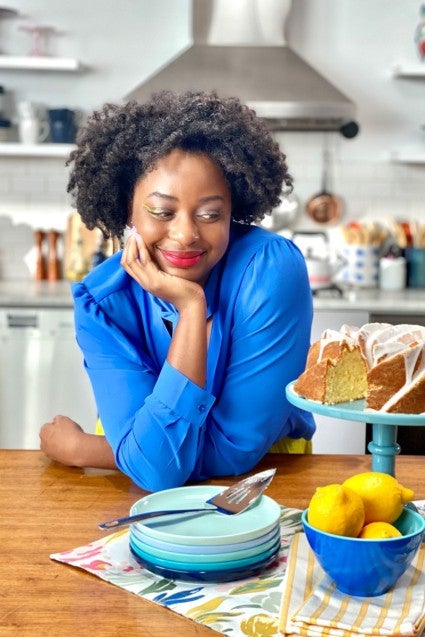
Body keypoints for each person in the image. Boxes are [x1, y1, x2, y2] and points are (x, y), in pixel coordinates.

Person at [39, 90, 315, 491]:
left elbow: (233, 449)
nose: (185, 234)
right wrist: (192, 313)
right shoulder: (101, 302)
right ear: (126, 210)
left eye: (210, 214)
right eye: (162, 212)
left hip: (262, 481)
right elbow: (154, 469)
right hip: (129, 491)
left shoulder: (270, 271)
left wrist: (88, 450)